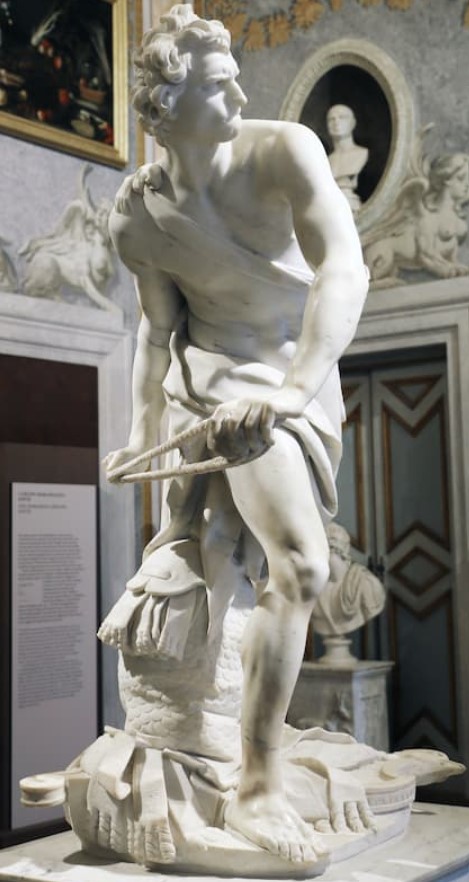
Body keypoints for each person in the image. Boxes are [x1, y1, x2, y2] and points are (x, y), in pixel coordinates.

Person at [104, 4, 369, 864]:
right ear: (166, 107)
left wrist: (292, 391)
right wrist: (139, 432)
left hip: (291, 374)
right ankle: (238, 774)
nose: (241, 96)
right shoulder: (137, 218)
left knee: (292, 564)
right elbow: (157, 332)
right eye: (219, 86)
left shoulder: (283, 150)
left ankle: (256, 777)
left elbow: (343, 269)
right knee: (244, 558)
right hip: (207, 379)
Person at [326, 104, 369, 213]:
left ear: (352, 123)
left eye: (342, 117)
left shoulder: (362, 153)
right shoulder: (326, 161)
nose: (336, 122)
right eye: (331, 119)